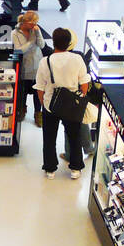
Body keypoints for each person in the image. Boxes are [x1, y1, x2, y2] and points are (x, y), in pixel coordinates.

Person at [35, 27, 90, 179]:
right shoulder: (77, 59)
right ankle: (75, 168)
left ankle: (50, 169)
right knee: (74, 136)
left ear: (53, 43)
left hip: (50, 104)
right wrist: (80, 98)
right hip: (72, 104)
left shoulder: (45, 61)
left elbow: (40, 87)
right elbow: (84, 81)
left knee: (49, 137)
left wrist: (44, 103)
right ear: (69, 43)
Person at [11, 11, 44, 127]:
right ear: (26, 22)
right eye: (33, 23)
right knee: (23, 91)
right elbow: (19, 50)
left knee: (37, 91)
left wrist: (38, 33)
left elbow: (41, 45)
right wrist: (30, 42)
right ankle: (22, 110)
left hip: (37, 66)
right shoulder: (15, 33)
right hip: (24, 66)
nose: (34, 25)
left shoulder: (35, 30)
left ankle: (38, 113)